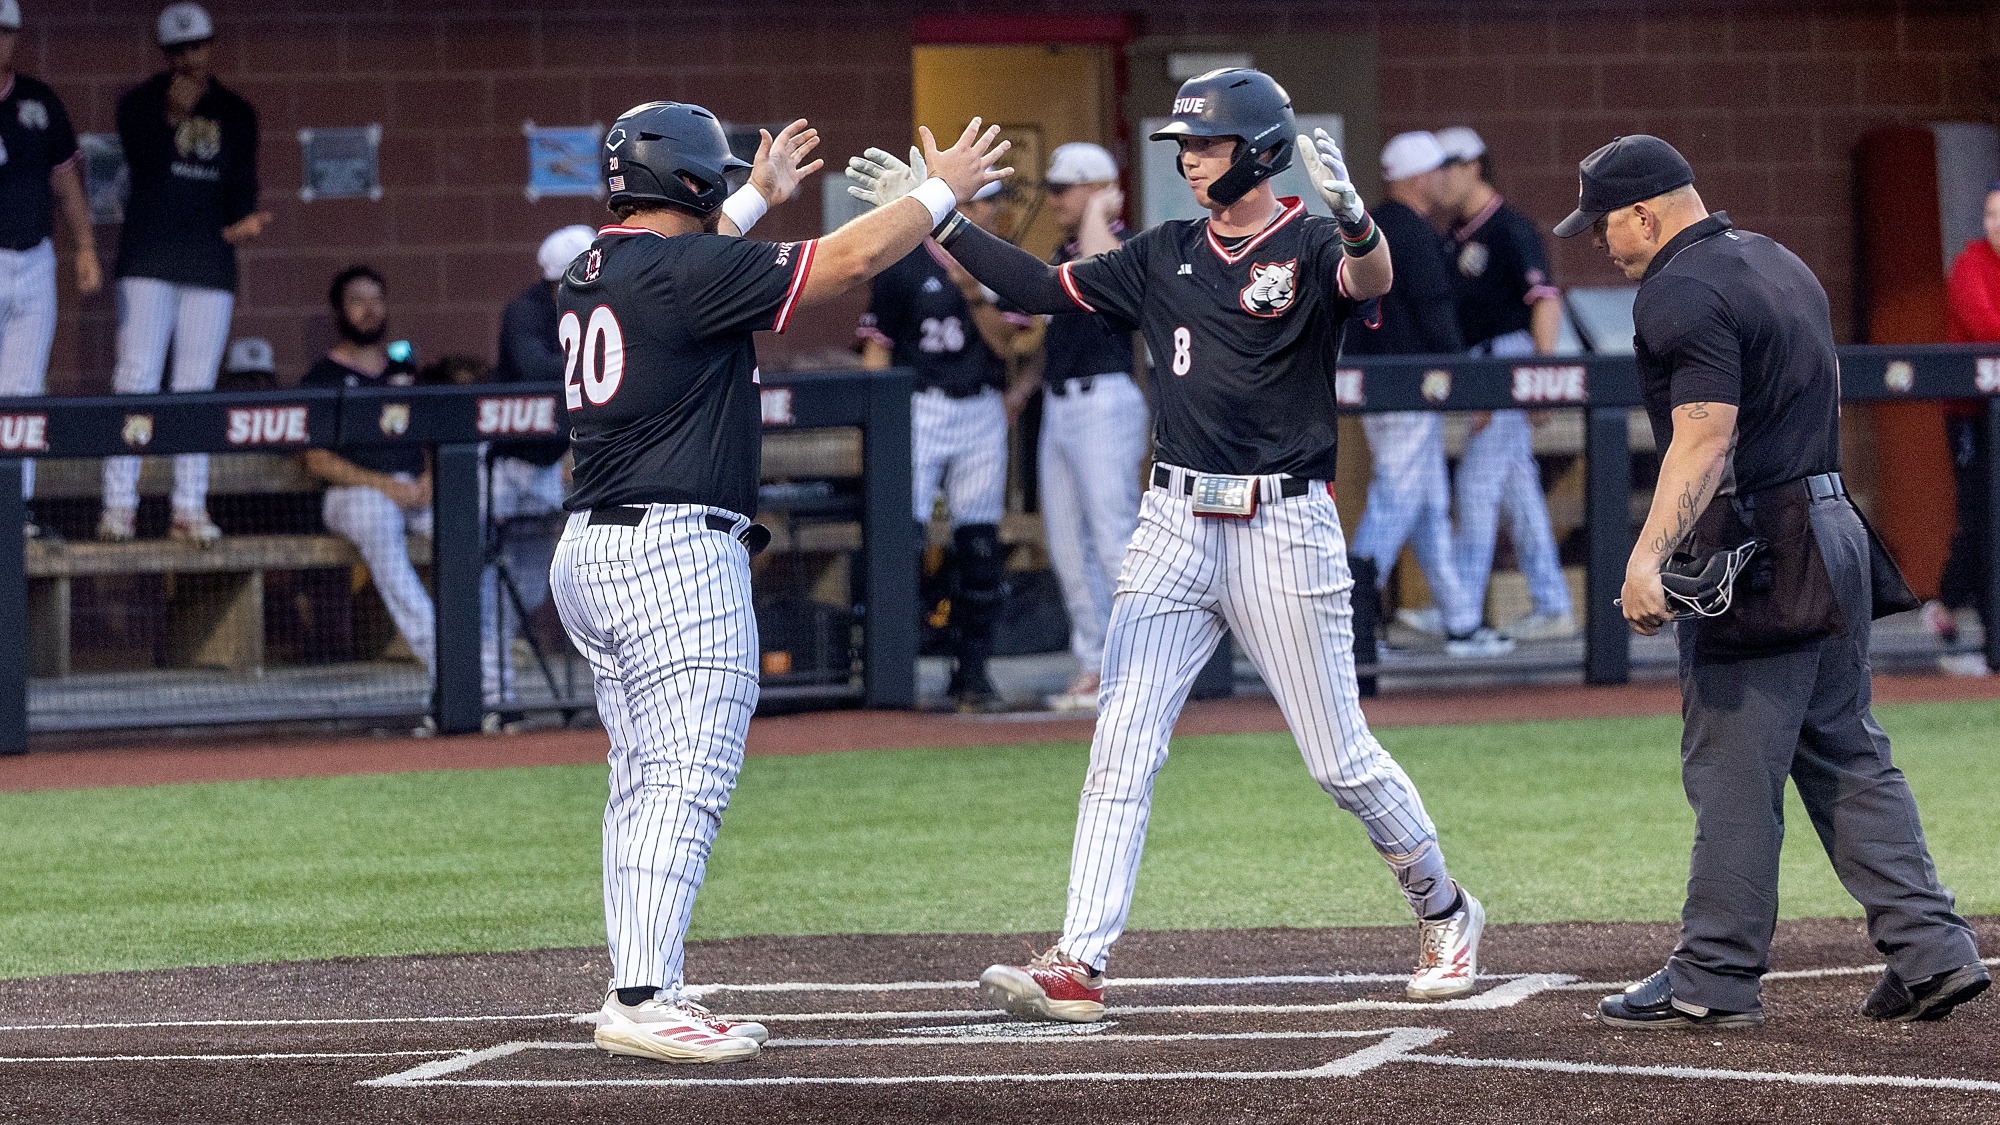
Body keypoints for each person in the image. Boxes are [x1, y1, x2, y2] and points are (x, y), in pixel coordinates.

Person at [852, 68, 1487, 1021]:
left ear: (1262, 151)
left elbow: (1371, 279)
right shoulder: (1167, 251)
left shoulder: (1314, 239)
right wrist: (939, 214)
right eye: (1184, 146)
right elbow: (1039, 284)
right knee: (1122, 741)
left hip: (1284, 522)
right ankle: (1080, 957)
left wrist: (1357, 220)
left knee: (1339, 759)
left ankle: (1445, 906)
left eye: (1209, 144)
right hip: (1174, 519)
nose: (1190, 159)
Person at [554, 102, 1007, 1064]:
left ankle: (647, 978)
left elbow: (703, 263)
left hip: (596, 548)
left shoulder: (593, 268)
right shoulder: (681, 270)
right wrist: (942, 194)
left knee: (642, 779)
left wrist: (759, 196)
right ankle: (640, 993)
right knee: (682, 778)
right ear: (687, 179)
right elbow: (842, 262)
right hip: (671, 552)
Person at [1563, 135, 1987, 1029]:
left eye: (1605, 224)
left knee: (1731, 767)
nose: (1601, 242)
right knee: (1847, 750)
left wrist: (1646, 555)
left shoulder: (1677, 288)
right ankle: (1933, 952)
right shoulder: (1777, 259)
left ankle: (1712, 974)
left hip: (1766, 543)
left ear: (1645, 212)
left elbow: (1706, 435)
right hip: (1832, 525)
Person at [859, 181, 1036, 712]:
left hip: (980, 403)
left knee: (979, 542)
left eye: (992, 202)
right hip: (921, 406)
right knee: (902, 539)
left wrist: (973, 290)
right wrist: (878, 423)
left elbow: (1008, 346)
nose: (990, 211)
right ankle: (894, 672)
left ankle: (972, 673)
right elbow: (876, 348)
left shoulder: (999, 264)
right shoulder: (905, 261)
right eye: (980, 201)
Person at [98, 1, 270, 547]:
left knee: (195, 386)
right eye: (176, 51)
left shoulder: (236, 111)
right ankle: (119, 506)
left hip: (207, 263)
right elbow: (144, 169)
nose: (187, 60)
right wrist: (171, 117)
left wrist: (246, 224)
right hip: (148, 258)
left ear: (210, 47)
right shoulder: (139, 103)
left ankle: (189, 508)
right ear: (164, 55)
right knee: (136, 377)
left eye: (196, 47)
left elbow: (241, 189)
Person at [299, 268, 506, 712]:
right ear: (339, 310)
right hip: (354, 494)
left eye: (377, 299)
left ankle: (490, 666)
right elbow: (316, 460)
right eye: (357, 300)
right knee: (378, 519)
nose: (370, 310)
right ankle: (450, 665)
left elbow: (435, 433)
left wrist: (434, 479)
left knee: (472, 525)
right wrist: (385, 485)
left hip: (415, 490)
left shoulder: (405, 368)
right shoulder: (323, 375)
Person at [1344, 131, 1510, 659]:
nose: (1444, 178)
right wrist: (1468, 382)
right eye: (1437, 170)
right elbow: (1436, 311)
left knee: (1429, 505)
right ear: (1418, 176)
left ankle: (1461, 623)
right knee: (1396, 499)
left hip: (1381, 384)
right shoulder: (1409, 232)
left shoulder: (1372, 225)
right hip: (1407, 387)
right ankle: (1350, 621)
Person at [1433, 125, 1576, 642]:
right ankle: (1553, 604)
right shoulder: (1455, 235)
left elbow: (1546, 301)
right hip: (1480, 366)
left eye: (1447, 167)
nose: (1439, 178)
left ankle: (1460, 612)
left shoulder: (1509, 227)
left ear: (1473, 166)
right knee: (1518, 493)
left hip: (1509, 360)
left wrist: (1540, 375)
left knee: (1476, 487)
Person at [1030, 142, 1150, 713]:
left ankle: (1142, 664)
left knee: (1112, 534)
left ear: (1095, 187)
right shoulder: (1066, 246)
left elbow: (1106, 281)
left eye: (1063, 188)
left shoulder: (1119, 241)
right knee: (1065, 543)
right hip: (1059, 402)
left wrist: (1101, 211)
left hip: (1105, 400)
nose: (1054, 199)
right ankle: (1096, 662)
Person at [1, 0, 100, 542]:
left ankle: (16, 507)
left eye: (5, 33)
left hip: (35, 258)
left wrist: (84, 245)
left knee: (23, 390)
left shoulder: (38, 99)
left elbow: (65, 181)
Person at [1935, 180, 1999, 676]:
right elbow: (1984, 327)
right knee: (1979, 514)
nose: (1997, 225)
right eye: (1991, 214)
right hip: (1971, 412)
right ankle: (1954, 611)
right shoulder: (1970, 262)